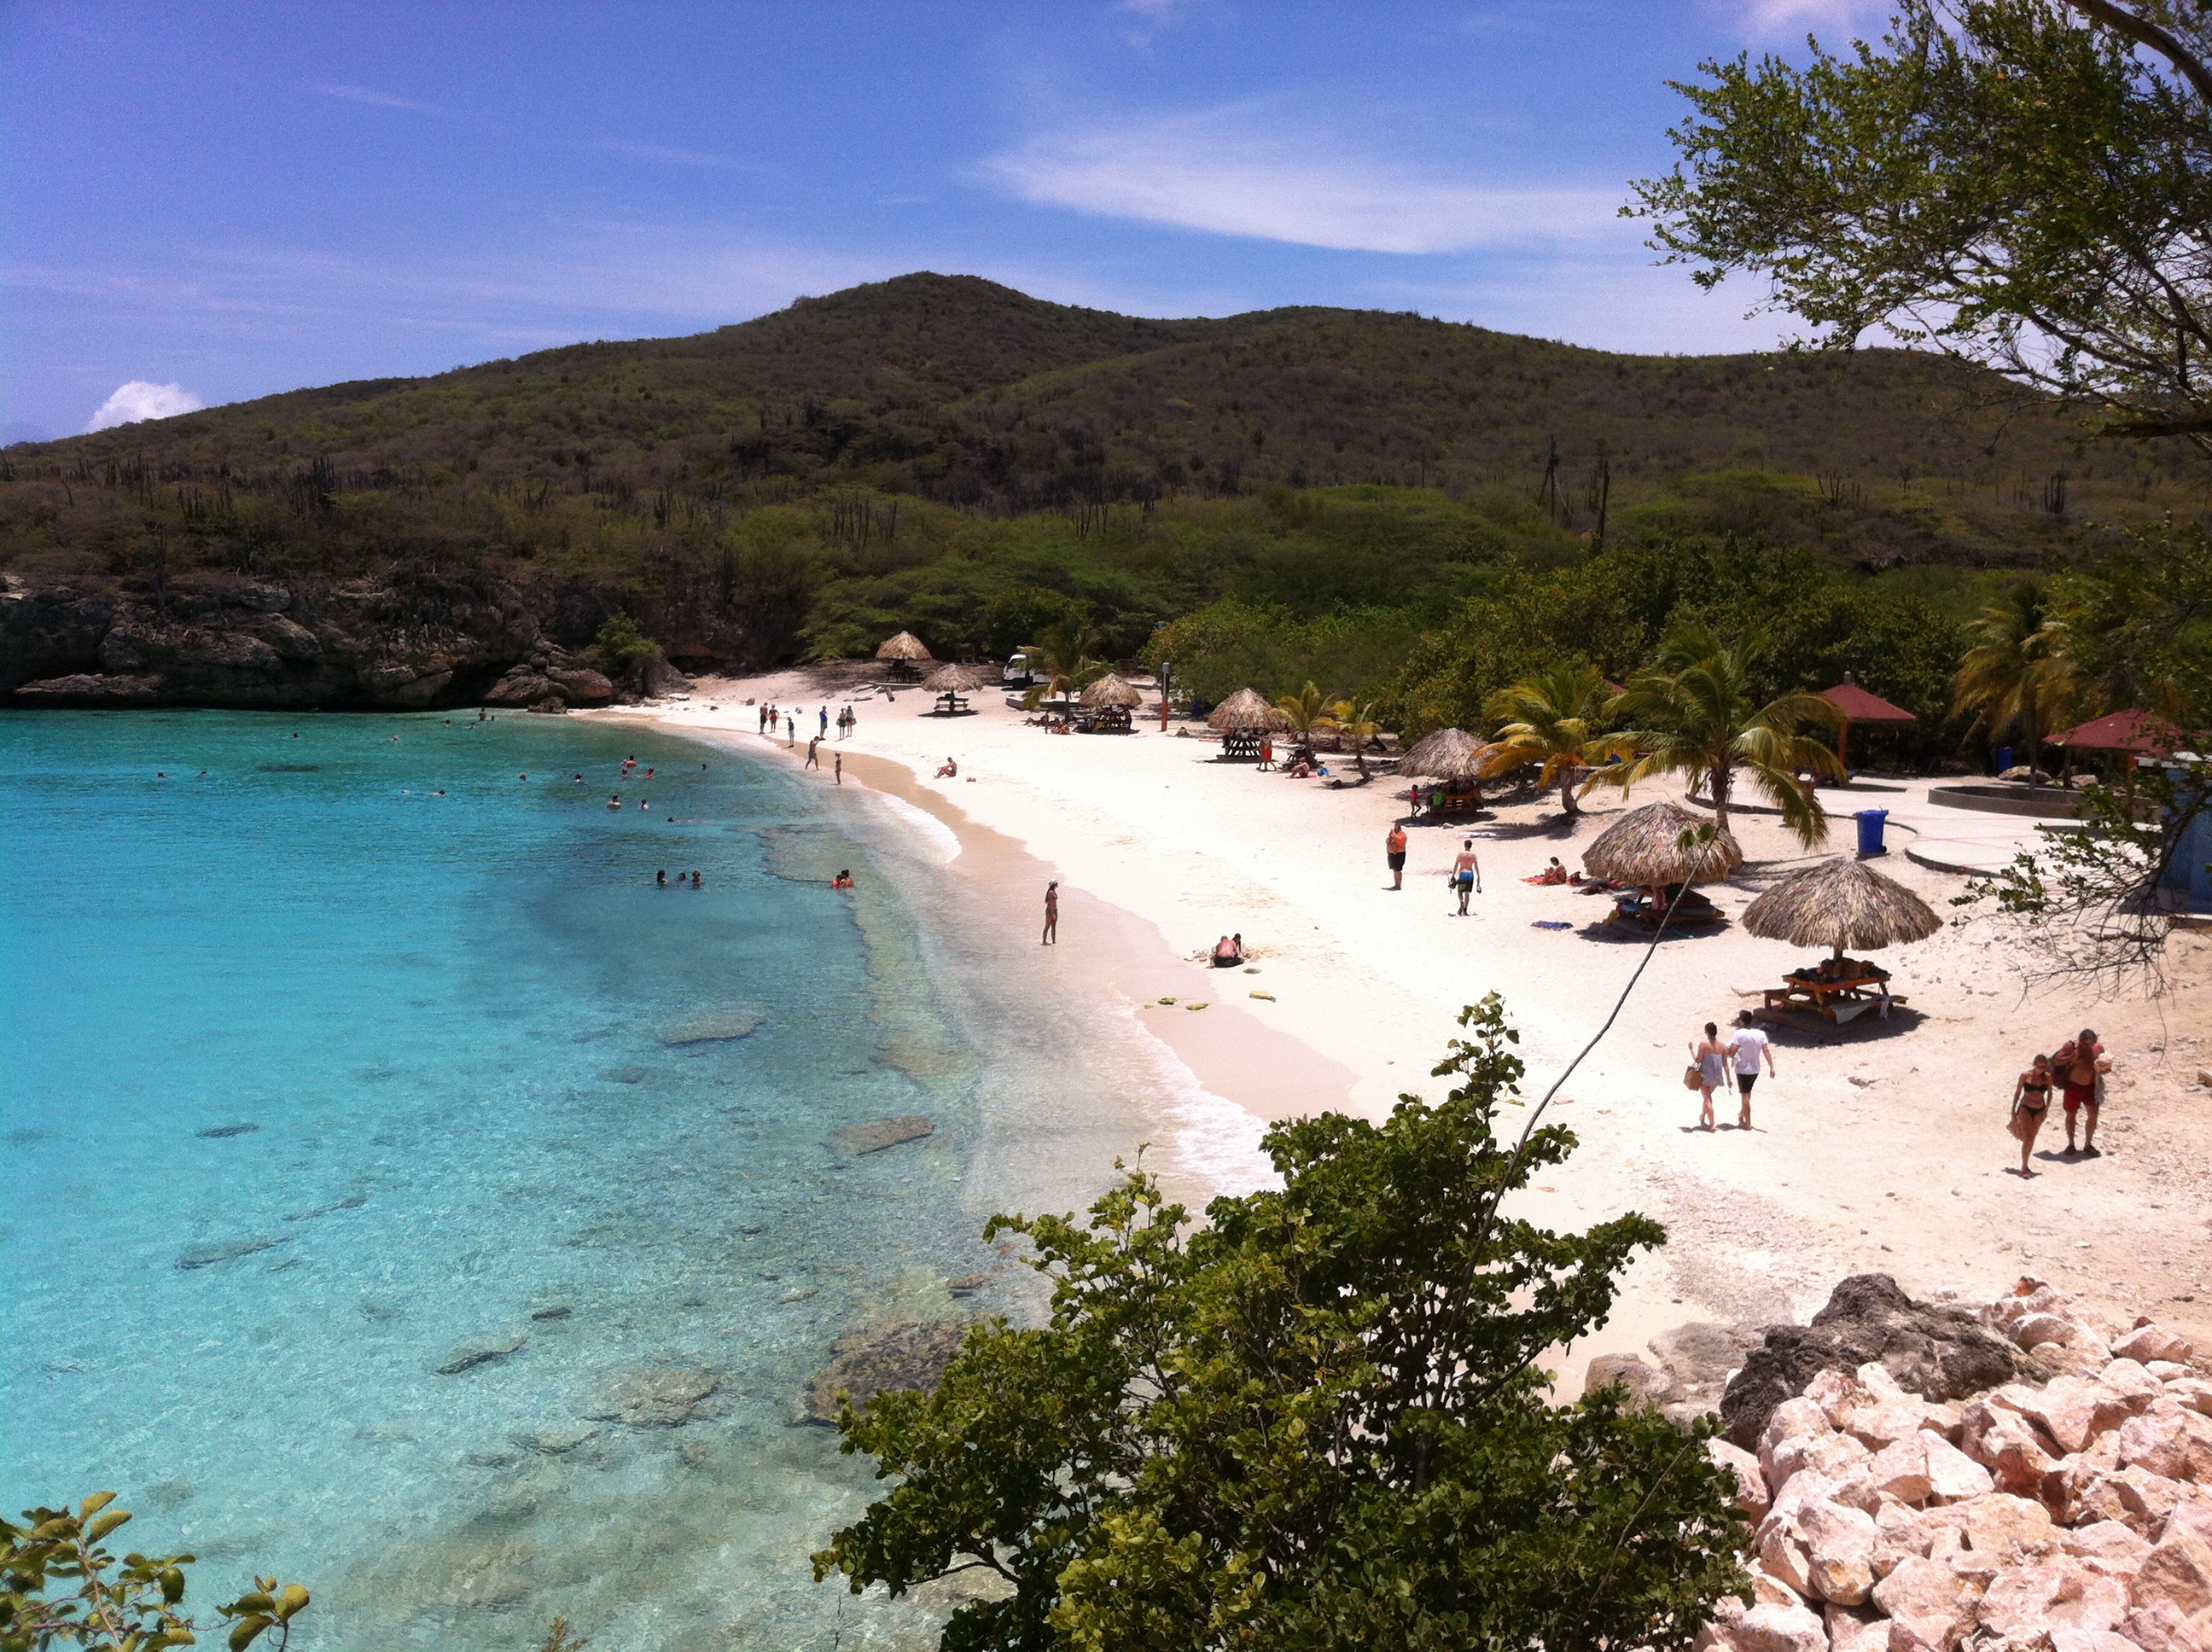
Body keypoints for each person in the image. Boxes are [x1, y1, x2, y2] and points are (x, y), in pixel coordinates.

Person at [2053, 1027, 2110, 1155]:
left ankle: (2088, 1144)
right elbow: (2057, 1060)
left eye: (2090, 1044)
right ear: (2080, 1041)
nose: (2088, 1047)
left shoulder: (2098, 1048)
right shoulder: (2072, 1046)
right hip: (2074, 1085)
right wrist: (2072, 1057)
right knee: (2071, 1114)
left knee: (2093, 1115)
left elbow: (2104, 1067)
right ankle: (2071, 1143)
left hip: (2091, 1086)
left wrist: (2105, 1067)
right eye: (2085, 1044)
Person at [1726, 1010, 1776, 1129]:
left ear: (1742, 1021)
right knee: (1748, 1093)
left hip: (1742, 1069)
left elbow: (1731, 1052)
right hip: (1755, 1069)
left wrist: (1728, 1053)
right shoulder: (1760, 1034)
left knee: (1745, 1095)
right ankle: (1742, 1113)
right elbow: (1765, 1050)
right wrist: (1771, 1066)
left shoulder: (1739, 1034)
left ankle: (1747, 1123)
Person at [2009, 1053, 2054, 1176]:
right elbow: (2017, 1093)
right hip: (2026, 1108)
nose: (2041, 1069)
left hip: (2039, 1110)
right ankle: (2024, 1166)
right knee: (2027, 1138)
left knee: (2031, 1139)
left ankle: (2026, 1164)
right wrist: (2013, 1111)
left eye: (2044, 1067)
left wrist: (2047, 1109)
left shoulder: (2047, 1077)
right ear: (2035, 1065)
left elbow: (2050, 1093)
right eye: (2039, 1067)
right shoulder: (2026, 1076)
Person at [1690, 1021, 1730, 1131]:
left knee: (1707, 1099)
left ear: (1707, 1032)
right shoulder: (1722, 1046)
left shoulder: (1703, 1045)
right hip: (1717, 1075)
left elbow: (1698, 1060)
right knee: (1707, 1097)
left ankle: (1712, 1125)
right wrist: (1729, 1079)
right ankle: (1702, 1118)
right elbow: (1725, 1064)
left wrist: (1691, 1050)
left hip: (1705, 1074)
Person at [1449, 838, 1481, 916]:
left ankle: (1461, 903)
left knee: (1460, 892)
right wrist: (1478, 876)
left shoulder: (1460, 854)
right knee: (1467, 893)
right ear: (1471, 846)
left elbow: (1456, 865)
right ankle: (1465, 910)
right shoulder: (1473, 855)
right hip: (1470, 874)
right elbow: (1476, 867)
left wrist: (1453, 875)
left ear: (1464, 846)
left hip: (1463, 873)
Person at [1385, 823, 1408, 890]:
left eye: (1396, 829)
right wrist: (1390, 837)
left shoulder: (1402, 835)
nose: (1395, 830)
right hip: (1392, 854)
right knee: (1394, 870)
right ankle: (1396, 885)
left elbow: (1400, 841)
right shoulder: (1393, 835)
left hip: (1399, 854)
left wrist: (1394, 836)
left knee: (1398, 870)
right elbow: (1387, 842)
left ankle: (1398, 886)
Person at [1042, 881, 1059, 945]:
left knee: (1052, 926)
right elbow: (1051, 903)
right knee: (1048, 926)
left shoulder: (1052, 892)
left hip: (1053, 910)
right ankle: (1045, 941)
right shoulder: (1051, 893)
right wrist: (1052, 913)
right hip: (1051, 911)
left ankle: (1053, 941)